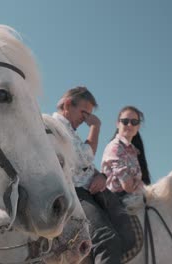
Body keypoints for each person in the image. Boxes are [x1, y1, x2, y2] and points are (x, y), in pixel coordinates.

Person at [53, 86, 122, 264]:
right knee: (107, 239)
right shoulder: (55, 127)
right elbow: (85, 158)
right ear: (68, 105)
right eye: (84, 113)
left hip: (89, 190)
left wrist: (102, 176)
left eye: (88, 116)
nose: (85, 120)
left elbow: (86, 165)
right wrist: (96, 126)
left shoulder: (70, 132)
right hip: (76, 193)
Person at [101, 106, 151, 196]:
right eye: (125, 121)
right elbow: (128, 186)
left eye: (134, 122)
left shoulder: (133, 151)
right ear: (117, 124)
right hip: (116, 200)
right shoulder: (115, 147)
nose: (129, 125)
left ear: (138, 126)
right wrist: (138, 183)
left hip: (131, 198)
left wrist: (137, 183)